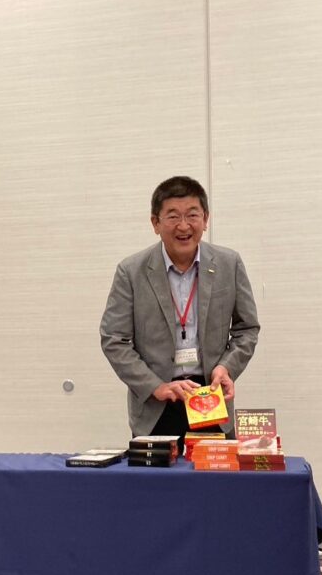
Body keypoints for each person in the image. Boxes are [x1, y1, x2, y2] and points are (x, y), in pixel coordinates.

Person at [100, 176, 260, 448]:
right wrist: (155, 386)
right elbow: (114, 339)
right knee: (159, 477)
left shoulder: (229, 264)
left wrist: (226, 367)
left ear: (205, 219)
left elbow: (247, 328)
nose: (184, 226)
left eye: (192, 215)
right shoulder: (131, 271)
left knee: (213, 475)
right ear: (155, 223)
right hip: (156, 405)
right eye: (173, 216)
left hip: (211, 397)